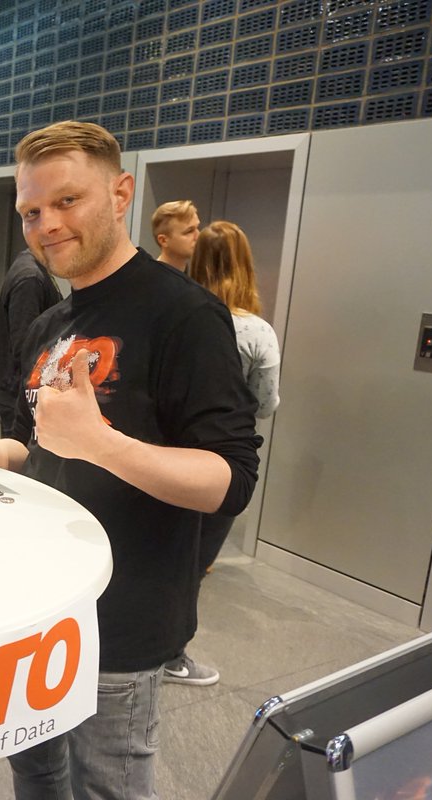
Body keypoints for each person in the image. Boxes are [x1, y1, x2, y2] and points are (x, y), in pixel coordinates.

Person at [0, 120, 260, 800]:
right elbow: (30, 452)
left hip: (122, 620)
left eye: (67, 201)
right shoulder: (50, 325)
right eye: (31, 211)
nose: (46, 224)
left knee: (107, 785)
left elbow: (228, 482)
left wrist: (102, 443)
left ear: (121, 193)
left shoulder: (185, 315)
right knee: (36, 773)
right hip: (36, 603)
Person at [170, 221, 281, 686]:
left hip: (164, 455)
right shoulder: (256, 332)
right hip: (218, 464)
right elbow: (266, 403)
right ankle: (170, 654)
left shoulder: (173, 317)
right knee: (193, 566)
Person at [0, 248, 63, 437]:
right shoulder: (30, 278)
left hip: (20, 390)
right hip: (20, 394)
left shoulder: (34, 270)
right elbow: (25, 346)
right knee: (20, 453)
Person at [151, 199, 200, 271]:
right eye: (189, 231)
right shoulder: (149, 276)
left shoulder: (198, 275)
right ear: (163, 240)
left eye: (197, 228)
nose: (198, 236)